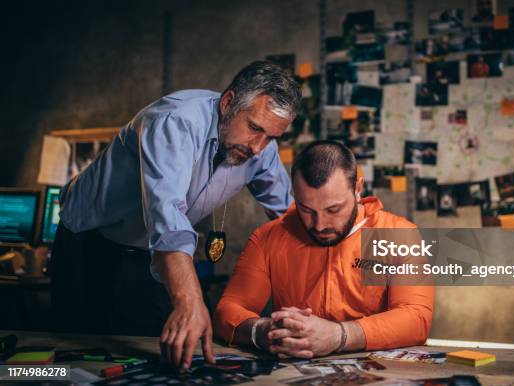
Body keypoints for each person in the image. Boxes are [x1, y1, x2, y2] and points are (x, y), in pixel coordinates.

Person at [51, 61, 301, 369]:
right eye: (254, 128)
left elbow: (289, 219)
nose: (258, 146)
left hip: (150, 252)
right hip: (89, 241)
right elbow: (168, 216)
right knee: (77, 357)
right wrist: (188, 300)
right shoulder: (175, 121)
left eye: (271, 137)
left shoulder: (261, 150)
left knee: (165, 354)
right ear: (227, 103)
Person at [214, 141, 435, 358]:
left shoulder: (399, 236)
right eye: (306, 209)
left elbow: (416, 319)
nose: (319, 225)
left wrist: (340, 335)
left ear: (357, 189)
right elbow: (227, 310)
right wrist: (263, 331)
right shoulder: (268, 237)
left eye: (333, 209)